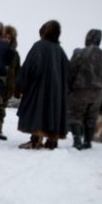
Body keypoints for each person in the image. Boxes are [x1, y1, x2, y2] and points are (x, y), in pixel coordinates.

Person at [15, 20, 69, 149]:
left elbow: (29, 67)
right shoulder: (60, 51)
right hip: (57, 92)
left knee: (38, 110)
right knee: (52, 112)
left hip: (39, 89)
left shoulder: (39, 46)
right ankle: (52, 141)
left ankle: (35, 140)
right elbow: (68, 74)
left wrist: (20, 85)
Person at [68, 29, 102, 149]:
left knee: (75, 115)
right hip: (98, 92)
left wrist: (69, 87)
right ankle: (88, 141)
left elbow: (71, 70)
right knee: (91, 117)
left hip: (80, 90)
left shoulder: (80, 53)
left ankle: (77, 140)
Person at [0, 25, 21, 140]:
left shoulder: (15, 54)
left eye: (9, 38)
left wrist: (17, 87)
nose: (6, 40)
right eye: (4, 37)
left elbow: (17, 71)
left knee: (0, 109)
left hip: (6, 85)